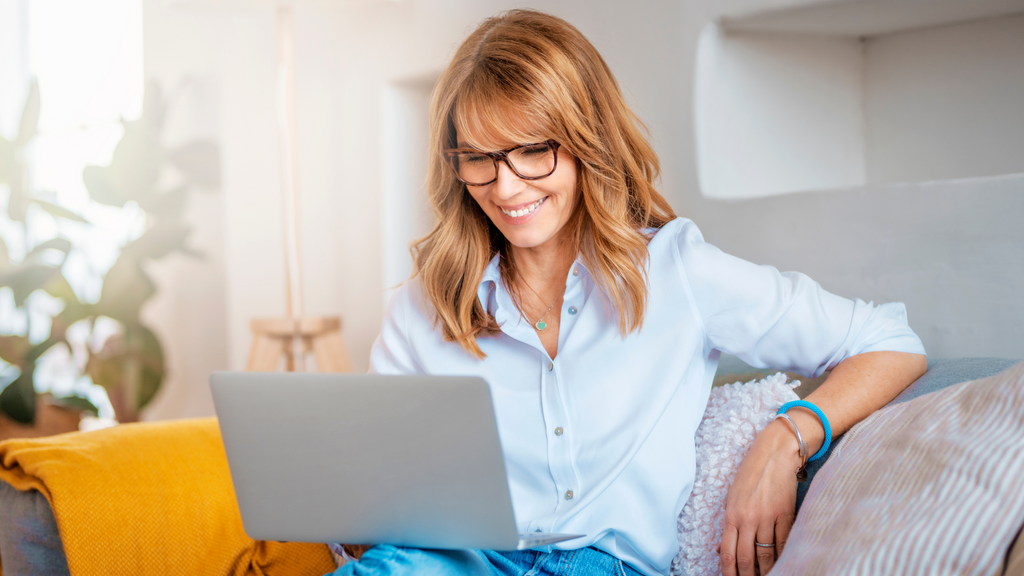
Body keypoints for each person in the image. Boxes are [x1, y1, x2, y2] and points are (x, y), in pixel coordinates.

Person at [330, 9, 927, 576]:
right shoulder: (424, 303)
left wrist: (787, 437)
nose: (506, 187)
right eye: (478, 159)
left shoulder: (677, 272)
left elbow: (890, 343)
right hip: (455, 559)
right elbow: (379, 478)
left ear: (587, 139)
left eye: (533, 150)